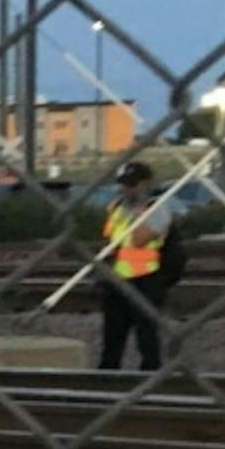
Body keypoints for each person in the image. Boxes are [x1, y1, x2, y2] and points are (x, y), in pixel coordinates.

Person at [99, 159, 171, 372]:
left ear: (145, 184)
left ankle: (150, 374)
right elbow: (110, 239)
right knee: (112, 335)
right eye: (123, 184)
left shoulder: (156, 209)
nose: (125, 189)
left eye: (131, 184)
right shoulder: (116, 208)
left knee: (146, 334)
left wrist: (138, 214)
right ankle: (107, 376)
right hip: (116, 279)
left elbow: (140, 239)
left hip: (146, 279)